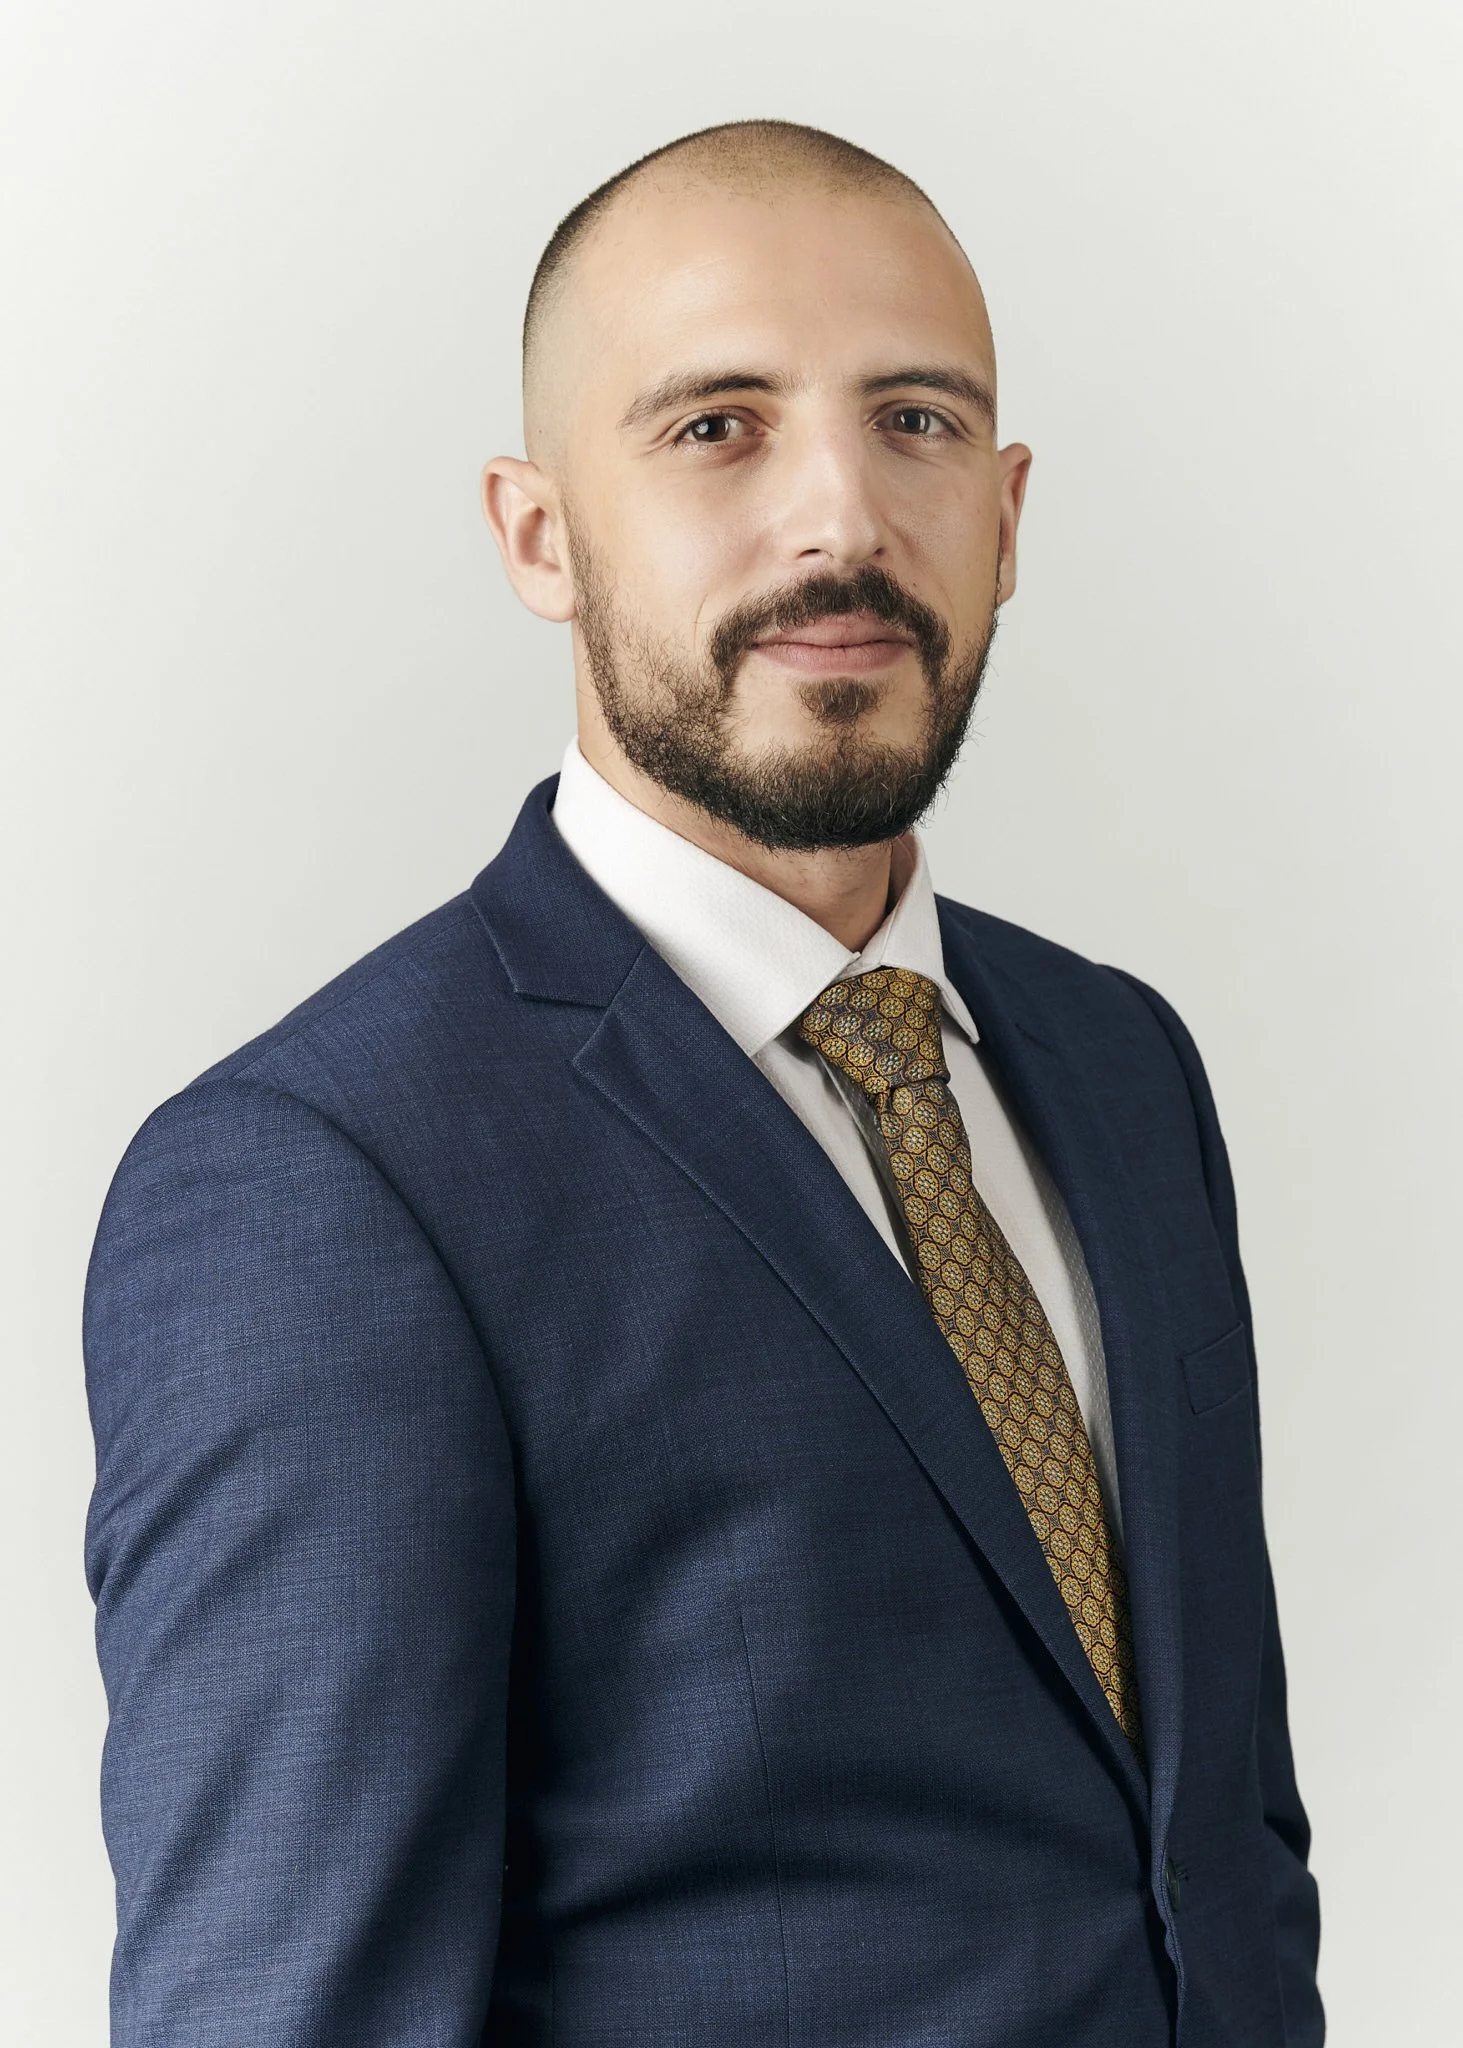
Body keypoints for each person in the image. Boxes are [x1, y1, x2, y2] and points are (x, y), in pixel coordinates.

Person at [83, 119, 1322, 2046]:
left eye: (914, 420)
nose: (839, 517)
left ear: (1005, 514)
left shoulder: (1116, 1063)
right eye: (714, 427)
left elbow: (1211, 1853)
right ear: (535, 533)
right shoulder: (323, 1183)